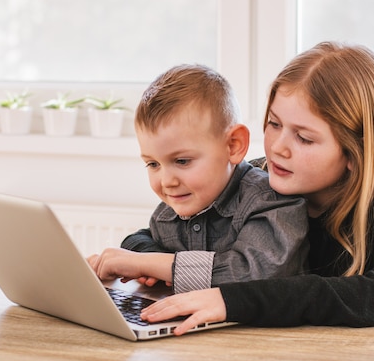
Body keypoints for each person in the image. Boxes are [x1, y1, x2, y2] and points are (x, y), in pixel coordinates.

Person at [128, 42, 374, 335]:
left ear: (355, 153)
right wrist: (151, 260)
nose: (278, 148)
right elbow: (160, 233)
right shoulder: (259, 179)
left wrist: (232, 299)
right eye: (274, 124)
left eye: (303, 138)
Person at [88, 64, 309, 293]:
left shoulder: (270, 201)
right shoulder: (168, 214)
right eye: (153, 164)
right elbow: (139, 240)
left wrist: (149, 264)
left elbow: (251, 273)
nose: (166, 182)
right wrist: (145, 263)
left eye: (182, 161)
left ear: (233, 145)